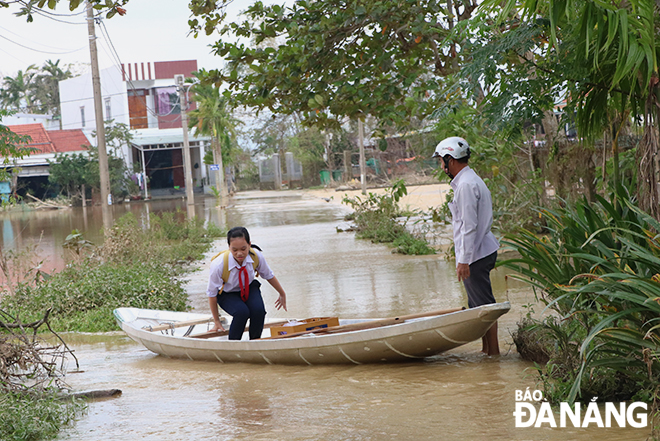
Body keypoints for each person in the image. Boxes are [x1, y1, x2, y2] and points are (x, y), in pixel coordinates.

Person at [433, 136, 501, 356]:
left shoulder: (465, 185)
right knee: (478, 306)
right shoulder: (468, 181)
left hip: (476, 254)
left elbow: (469, 226)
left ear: (449, 160)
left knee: (484, 308)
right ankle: (486, 351)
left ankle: (493, 355)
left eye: (440, 161)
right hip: (479, 250)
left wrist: (464, 260)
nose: (440, 165)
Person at [206, 226, 287, 340]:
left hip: (248, 288)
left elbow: (268, 275)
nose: (239, 253)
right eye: (234, 250)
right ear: (229, 247)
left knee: (259, 311)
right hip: (227, 293)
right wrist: (216, 321)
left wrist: (282, 293)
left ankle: (255, 341)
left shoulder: (256, 256)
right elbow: (211, 293)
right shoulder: (218, 264)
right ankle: (233, 344)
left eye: (243, 249)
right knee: (242, 312)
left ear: (249, 244)